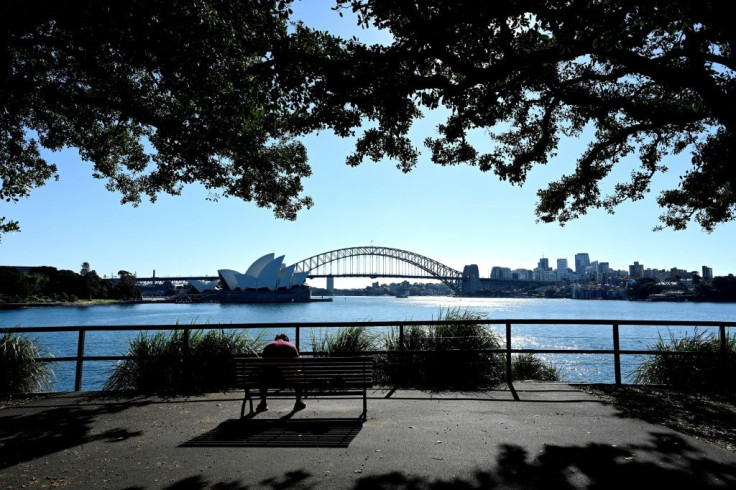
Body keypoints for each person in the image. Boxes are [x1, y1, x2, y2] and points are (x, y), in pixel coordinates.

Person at [256, 333, 305, 412]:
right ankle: (298, 402)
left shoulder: (268, 346)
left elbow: (263, 365)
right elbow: (298, 366)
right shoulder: (291, 346)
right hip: (288, 380)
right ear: (287, 340)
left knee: (263, 375)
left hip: (269, 380)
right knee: (299, 374)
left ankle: (263, 403)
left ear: (275, 340)